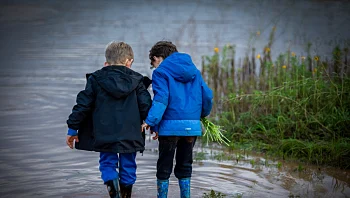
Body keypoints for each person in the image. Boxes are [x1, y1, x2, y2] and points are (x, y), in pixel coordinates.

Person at [66, 41, 152, 198]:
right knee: (129, 165)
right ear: (129, 61)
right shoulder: (138, 81)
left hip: (104, 131)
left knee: (107, 163)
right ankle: (126, 196)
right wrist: (153, 125)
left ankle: (114, 195)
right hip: (131, 132)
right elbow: (146, 105)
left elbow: (83, 105)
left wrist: (73, 128)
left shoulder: (96, 79)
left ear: (106, 62)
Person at [141, 41, 213, 198]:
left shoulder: (161, 73)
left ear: (157, 58)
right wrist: (200, 116)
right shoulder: (195, 71)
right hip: (191, 127)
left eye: (153, 64)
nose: (154, 67)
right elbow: (207, 96)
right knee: (185, 165)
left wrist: (150, 121)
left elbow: (161, 99)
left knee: (164, 166)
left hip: (170, 128)